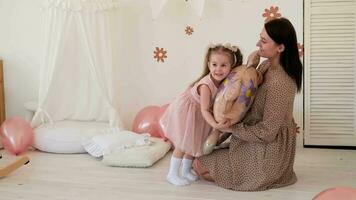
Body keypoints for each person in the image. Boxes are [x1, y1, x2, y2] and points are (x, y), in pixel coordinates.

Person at [193, 17, 303, 191]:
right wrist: (252, 63)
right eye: (260, 37)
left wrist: (231, 129)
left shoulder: (281, 83)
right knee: (198, 160)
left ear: (280, 48)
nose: (258, 43)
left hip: (269, 151)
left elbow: (267, 133)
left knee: (200, 166)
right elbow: (247, 92)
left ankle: (264, 173)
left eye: (264, 41)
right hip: (254, 139)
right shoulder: (267, 65)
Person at [160, 43, 243, 186]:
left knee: (194, 143)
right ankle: (172, 173)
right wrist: (214, 125)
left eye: (223, 65)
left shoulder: (225, 82)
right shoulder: (205, 85)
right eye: (214, 64)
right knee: (183, 144)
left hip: (200, 115)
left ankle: (186, 170)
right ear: (208, 64)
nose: (218, 69)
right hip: (189, 112)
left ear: (231, 66)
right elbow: (205, 109)